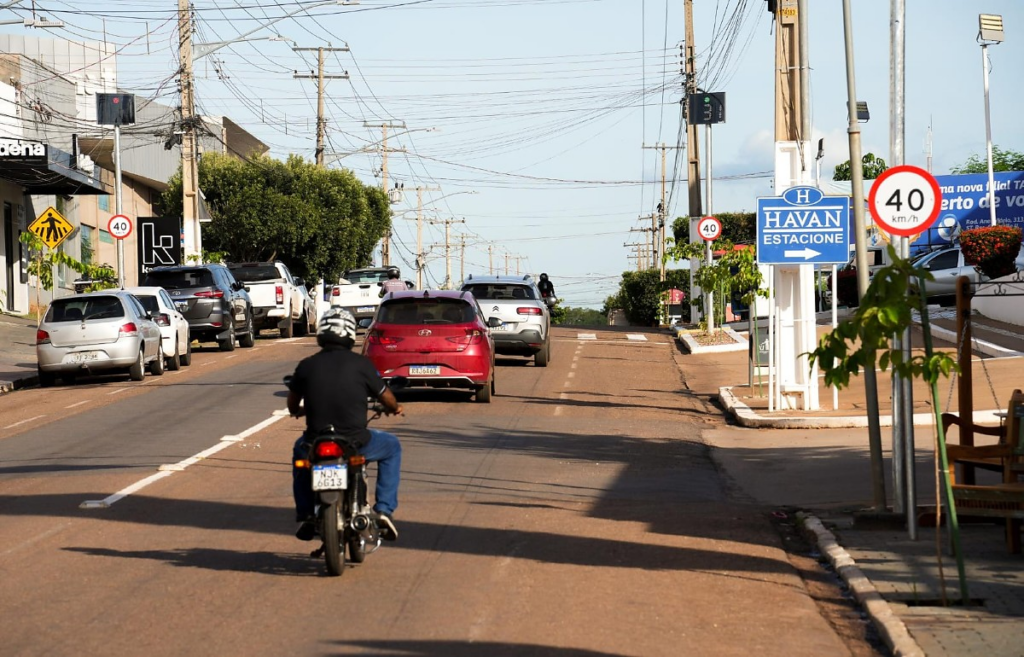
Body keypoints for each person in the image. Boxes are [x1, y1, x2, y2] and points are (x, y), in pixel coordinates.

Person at [287, 307, 404, 542]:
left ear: (322, 333)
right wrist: (395, 408)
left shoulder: (307, 365)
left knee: (300, 455)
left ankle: (306, 513)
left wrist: (300, 410)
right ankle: (384, 510)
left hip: (315, 441)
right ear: (350, 333)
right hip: (356, 442)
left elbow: (292, 405)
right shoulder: (362, 365)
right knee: (392, 446)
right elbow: (386, 397)